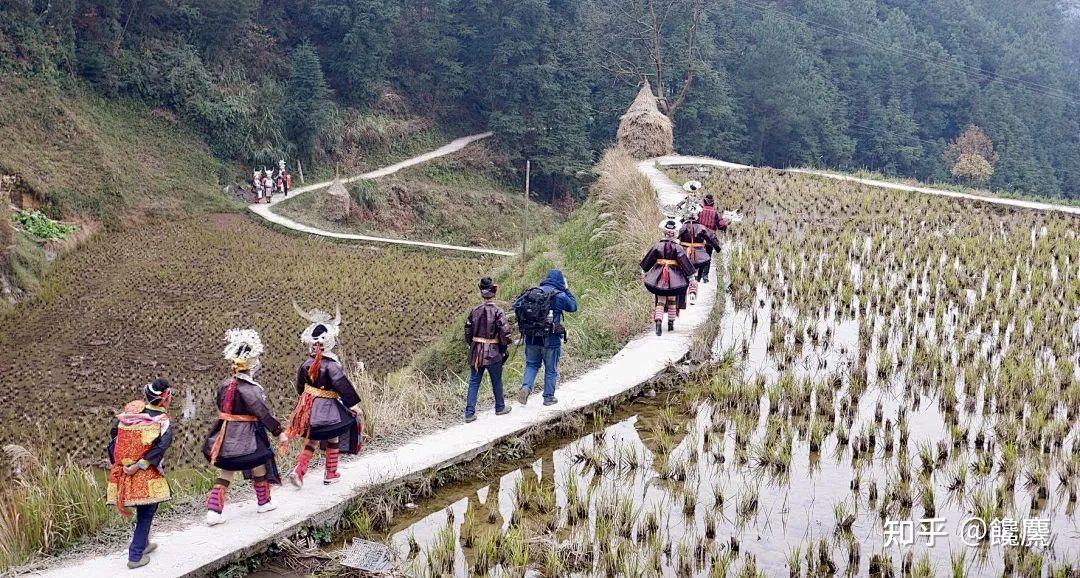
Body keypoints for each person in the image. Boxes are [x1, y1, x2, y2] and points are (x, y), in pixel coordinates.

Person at [202, 329, 287, 526]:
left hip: (223, 435)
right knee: (259, 464)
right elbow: (263, 413)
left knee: (226, 472)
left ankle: (214, 511)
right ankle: (263, 502)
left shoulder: (225, 385)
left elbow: (219, 404)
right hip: (247, 436)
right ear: (251, 365)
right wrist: (279, 432)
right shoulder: (251, 389)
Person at [284, 303, 363, 488]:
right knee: (333, 438)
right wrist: (352, 405)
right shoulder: (332, 365)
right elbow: (342, 385)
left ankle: (299, 471)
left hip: (309, 408)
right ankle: (331, 473)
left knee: (312, 439)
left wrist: (305, 400)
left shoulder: (306, 363)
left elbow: (299, 386)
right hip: (328, 409)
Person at [107, 379, 175, 569]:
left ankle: (144, 544)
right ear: (165, 398)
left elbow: (114, 436)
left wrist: (120, 463)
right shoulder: (162, 421)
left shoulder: (128, 415)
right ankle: (135, 555)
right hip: (145, 472)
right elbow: (161, 446)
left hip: (124, 470)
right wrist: (139, 465)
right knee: (147, 511)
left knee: (144, 509)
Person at [515, 269, 578, 407]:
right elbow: (573, 306)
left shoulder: (532, 293)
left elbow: (516, 305)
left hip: (531, 338)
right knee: (551, 369)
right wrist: (567, 289)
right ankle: (548, 397)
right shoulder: (559, 295)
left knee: (532, 365)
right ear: (560, 281)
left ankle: (526, 387)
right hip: (551, 339)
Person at [464, 277, 514, 422]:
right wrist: (503, 348)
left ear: (482, 293)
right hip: (493, 352)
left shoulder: (475, 311)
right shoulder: (498, 311)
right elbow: (505, 334)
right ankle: (500, 407)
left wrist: (472, 345)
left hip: (476, 352)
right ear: (494, 293)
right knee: (496, 380)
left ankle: (469, 413)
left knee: (474, 382)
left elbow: (467, 330)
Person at [642, 217, 696, 336]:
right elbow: (684, 262)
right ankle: (671, 323)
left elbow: (648, 260)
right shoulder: (678, 248)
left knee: (660, 301)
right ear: (675, 233)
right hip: (674, 279)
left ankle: (658, 322)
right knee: (672, 300)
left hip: (659, 277)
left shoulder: (658, 246)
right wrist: (691, 276)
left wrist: (645, 270)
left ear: (664, 233)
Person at [678, 204, 722, 297]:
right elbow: (711, 238)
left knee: (684, 273)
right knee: (696, 272)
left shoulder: (682, 227)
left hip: (684, 255)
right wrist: (717, 247)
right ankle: (693, 290)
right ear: (697, 216)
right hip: (699, 256)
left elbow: (674, 238)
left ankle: (684, 291)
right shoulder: (702, 227)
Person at [696, 194, 729, 283]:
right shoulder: (715, 213)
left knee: (698, 255)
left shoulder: (699, 211)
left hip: (698, 238)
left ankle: (697, 274)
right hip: (710, 239)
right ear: (713, 203)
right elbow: (721, 226)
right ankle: (705, 276)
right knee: (707, 257)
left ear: (704, 202)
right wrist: (726, 223)